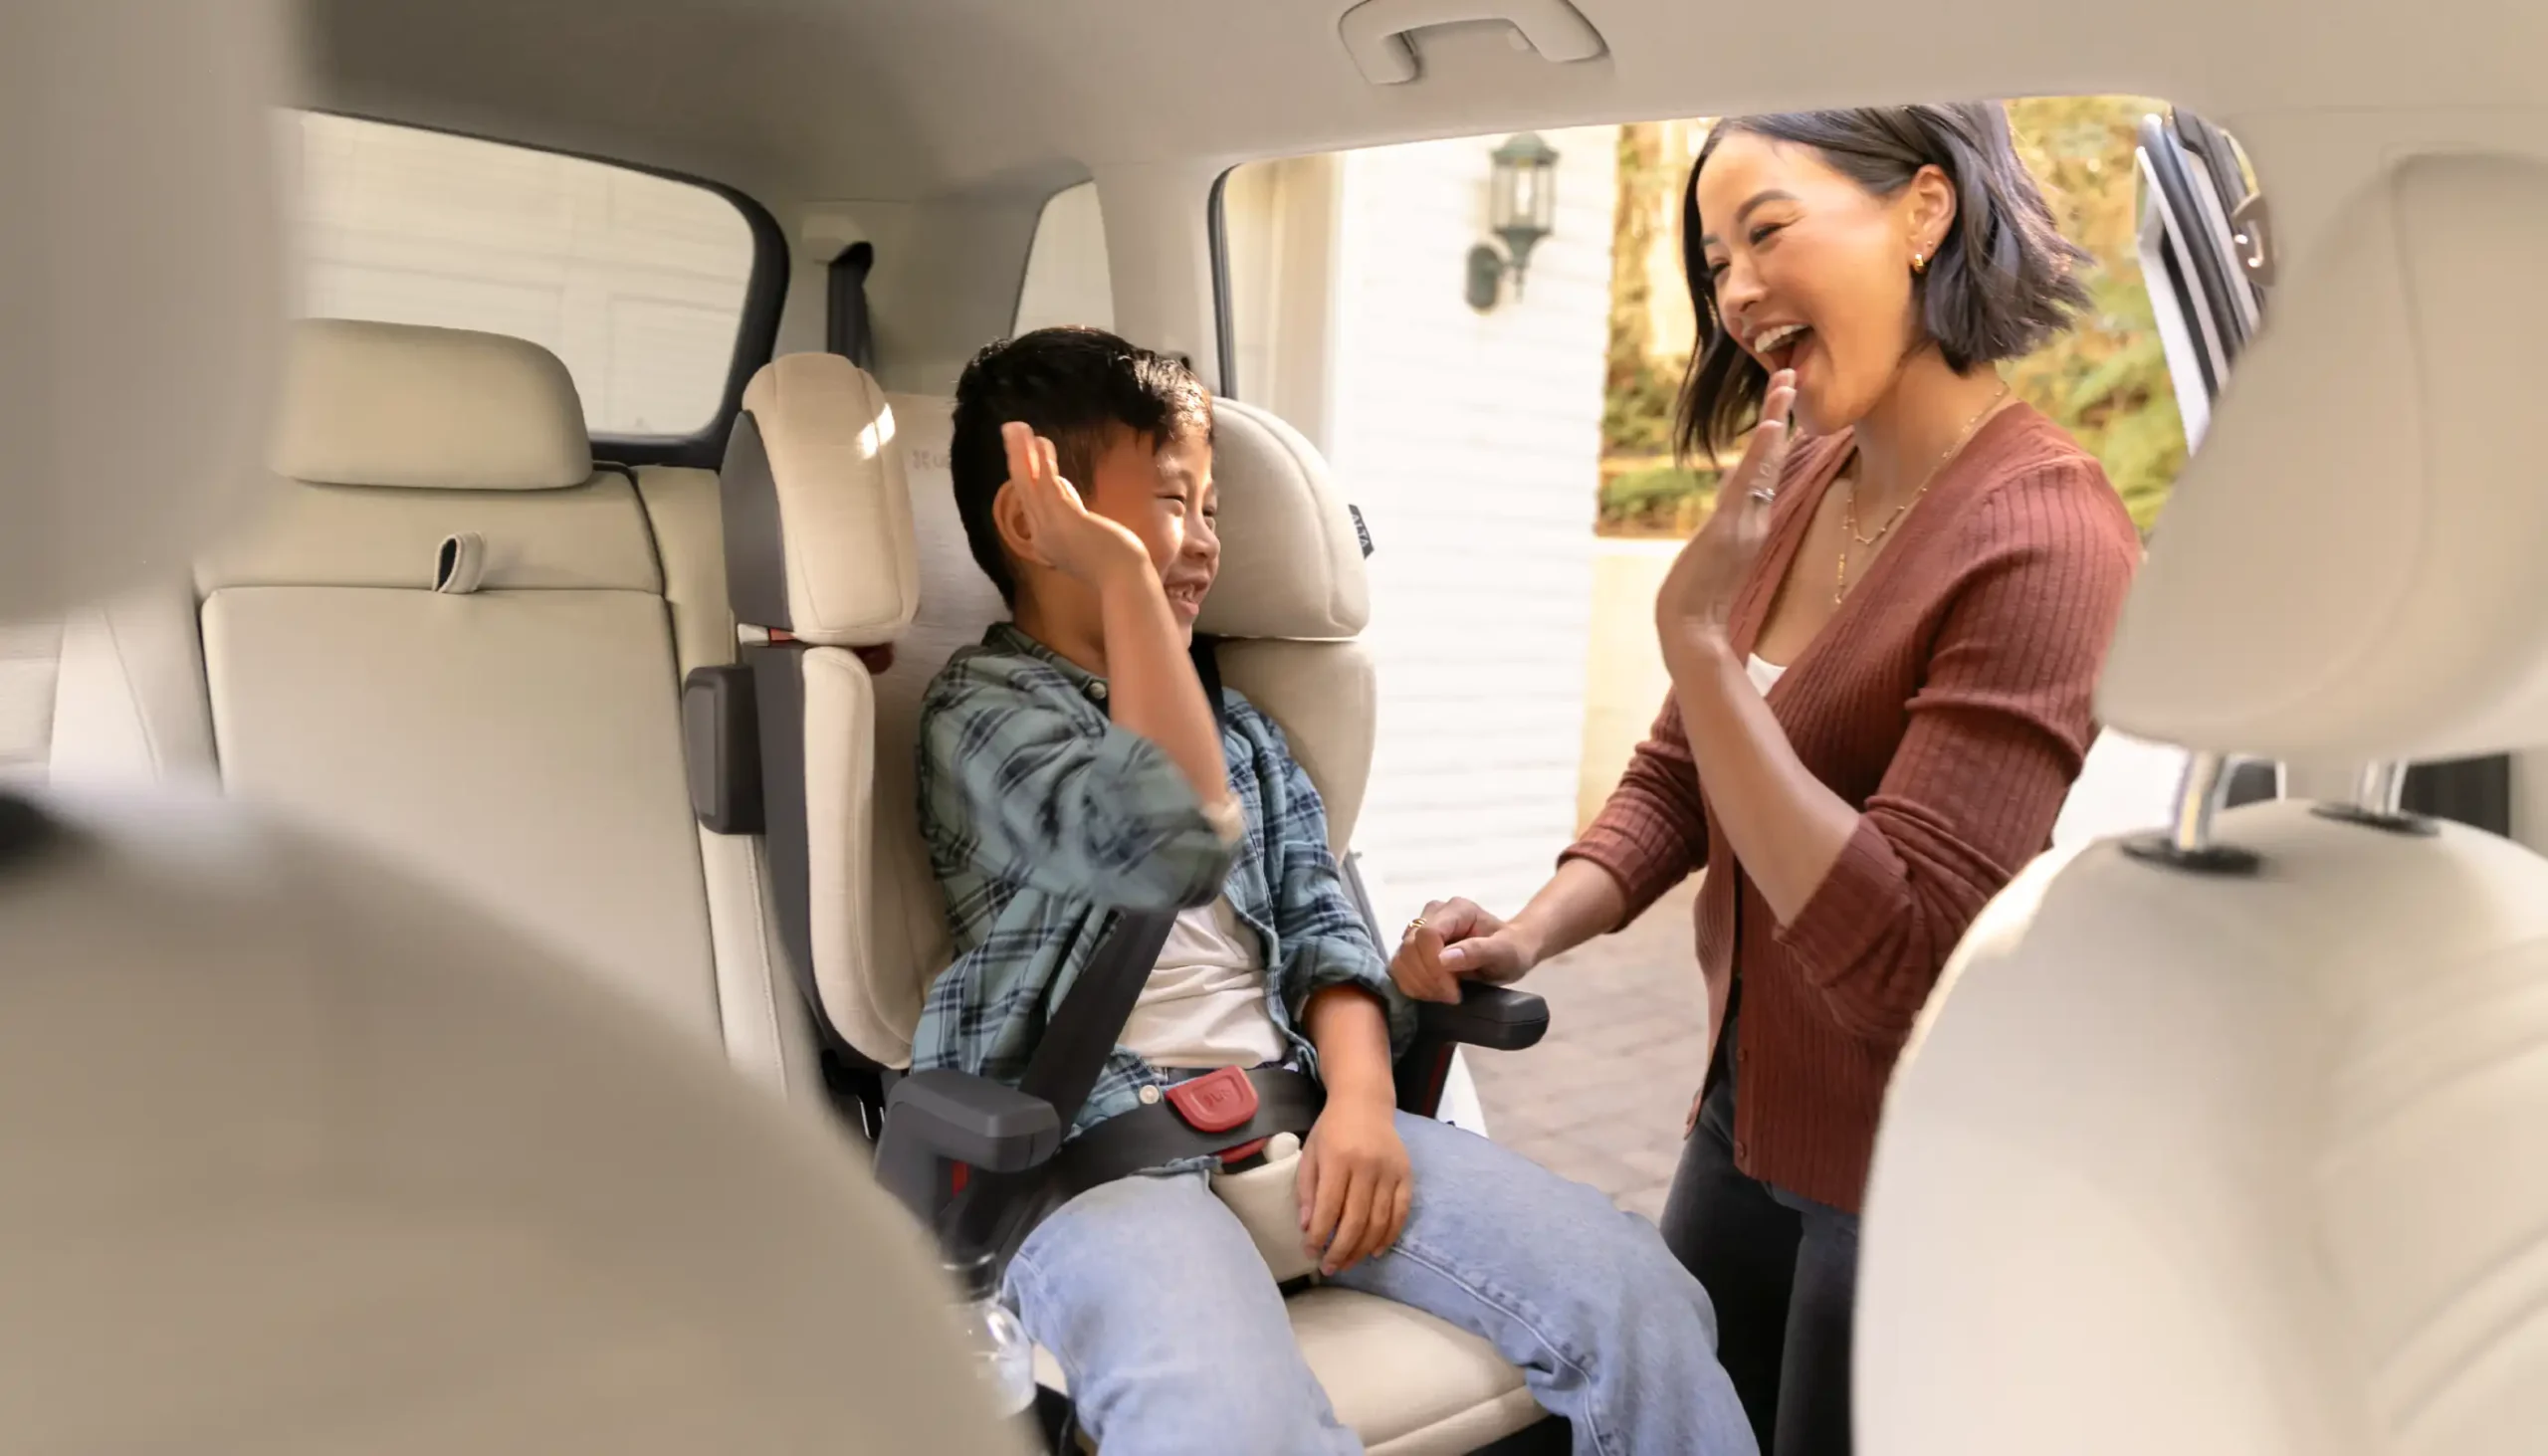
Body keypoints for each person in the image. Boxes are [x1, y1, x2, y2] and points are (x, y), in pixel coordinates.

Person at [1388, 104, 2143, 1456]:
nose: (1733, 291)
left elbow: (1903, 957)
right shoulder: (1803, 482)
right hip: (1746, 1112)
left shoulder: (2047, 532)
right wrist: (1536, 925)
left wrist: (1700, 647)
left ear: (1925, 210)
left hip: (1908, 1163)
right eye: (1713, 258)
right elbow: (1685, 772)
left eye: (1767, 232)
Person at [912, 326, 1756, 1456]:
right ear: (1034, 522)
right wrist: (1121, 575)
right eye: (1172, 502)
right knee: (1229, 1428)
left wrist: (1360, 1100)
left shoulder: (1248, 729)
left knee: (1640, 1298)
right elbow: (1167, 830)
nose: (1205, 541)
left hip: (1298, 1116)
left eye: (1212, 507)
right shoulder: (979, 716)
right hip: (1091, 1160)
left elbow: (1318, 926)